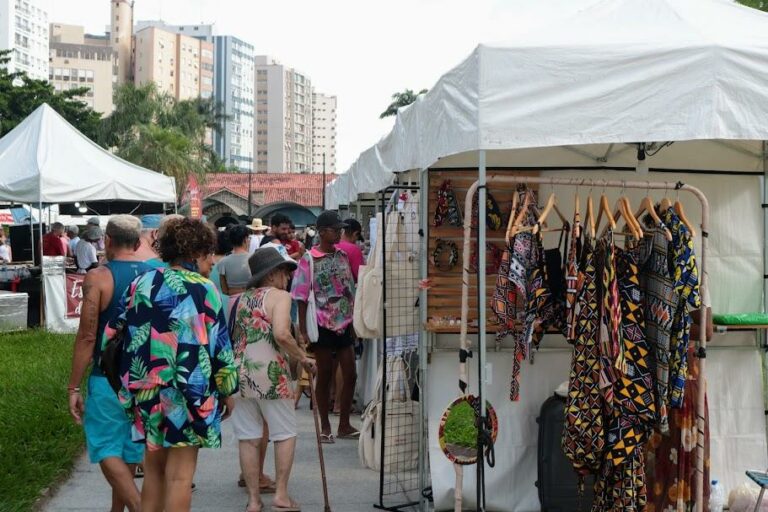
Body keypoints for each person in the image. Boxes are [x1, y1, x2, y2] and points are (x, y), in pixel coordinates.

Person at [111, 217, 238, 512]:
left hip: (145, 389)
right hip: (187, 390)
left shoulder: (140, 284)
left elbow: (112, 336)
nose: (211, 262)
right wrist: (228, 391)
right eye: (209, 255)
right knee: (180, 477)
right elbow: (220, 348)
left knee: (153, 471)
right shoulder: (204, 289)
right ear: (195, 253)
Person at [67, 215, 150, 512]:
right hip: (146, 376)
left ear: (108, 241)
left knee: (104, 446)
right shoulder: (156, 273)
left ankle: (141, 508)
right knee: (129, 449)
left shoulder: (99, 277)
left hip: (109, 376)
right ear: (139, 242)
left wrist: (73, 386)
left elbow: (88, 335)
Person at [232, 247, 316, 512]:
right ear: (271, 275)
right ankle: (280, 495)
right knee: (284, 434)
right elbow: (281, 333)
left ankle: (254, 501)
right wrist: (302, 357)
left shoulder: (242, 299)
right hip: (270, 374)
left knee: (248, 437)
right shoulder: (280, 297)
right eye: (283, 272)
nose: (288, 278)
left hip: (242, 373)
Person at [293, 210, 358, 442]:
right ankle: (325, 425)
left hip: (344, 321)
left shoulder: (342, 255)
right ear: (322, 232)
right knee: (325, 374)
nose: (340, 232)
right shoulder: (309, 259)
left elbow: (350, 288)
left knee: (350, 373)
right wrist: (303, 330)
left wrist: (353, 319)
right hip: (321, 323)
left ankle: (344, 424)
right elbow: (300, 296)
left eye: (340, 229)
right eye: (335, 229)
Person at [218, 224, 252, 296]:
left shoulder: (223, 262)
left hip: (232, 299)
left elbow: (224, 289)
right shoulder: (254, 258)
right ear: (245, 239)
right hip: (250, 298)